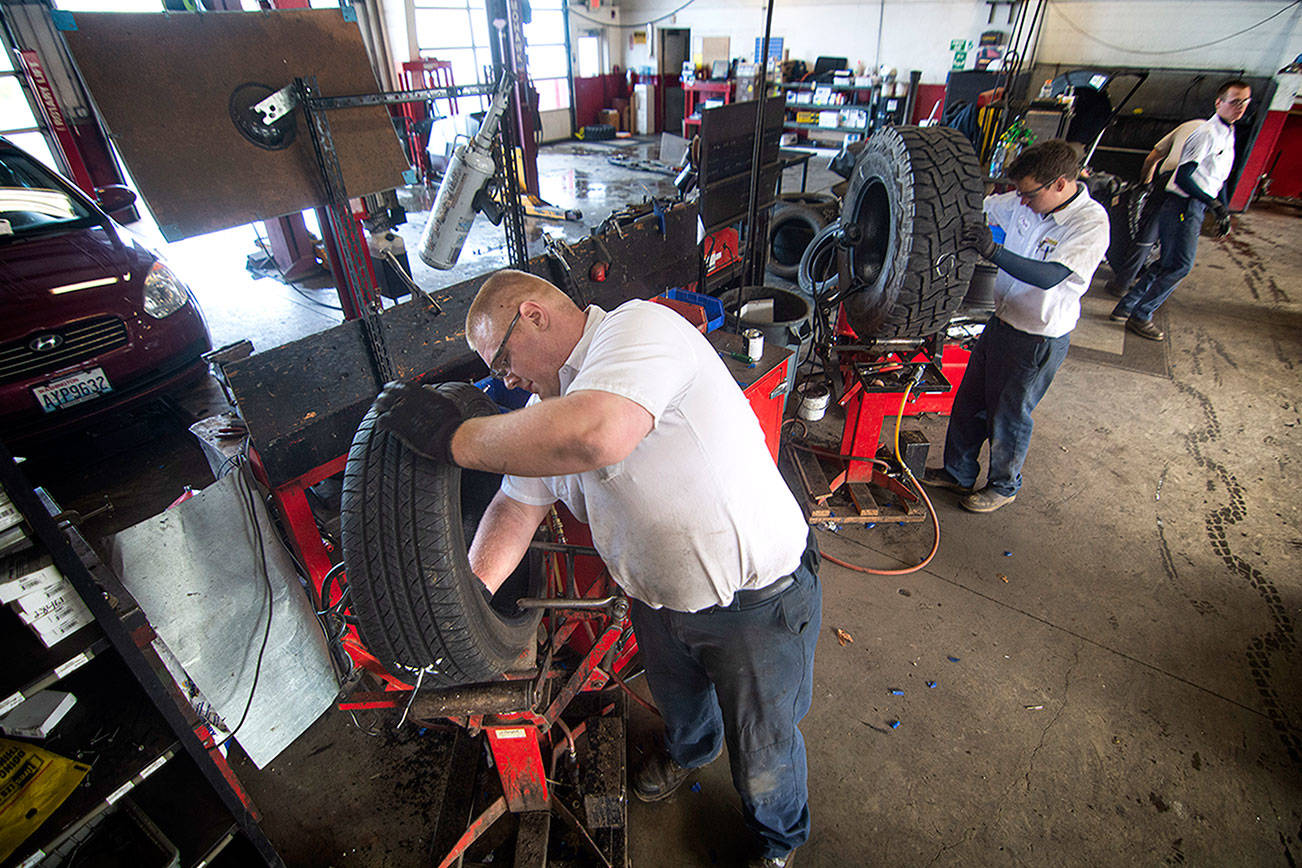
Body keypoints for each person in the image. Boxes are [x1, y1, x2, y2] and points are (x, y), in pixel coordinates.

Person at [371, 270, 821, 868]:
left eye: (502, 357)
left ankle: (776, 841)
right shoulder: (544, 413)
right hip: (658, 604)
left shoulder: (638, 330)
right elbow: (514, 505)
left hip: (756, 606)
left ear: (533, 314)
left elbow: (598, 432)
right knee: (681, 706)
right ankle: (690, 753)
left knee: (764, 751)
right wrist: (465, 599)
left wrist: (454, 438)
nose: (503, 377)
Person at [922, 139, 1110, 513]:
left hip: (1038, 338)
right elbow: (978, 207)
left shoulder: (1090, 223)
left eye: (1028, 193)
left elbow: (1050, 276)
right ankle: (957, 473)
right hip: (1001, 322)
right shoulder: (1023, 202)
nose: (1021, 200)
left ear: (1060, 184)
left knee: (1008, 415)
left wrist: (994, 251)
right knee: (969, 403)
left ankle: (1004, 485)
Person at [1110, 80, 1251, 341]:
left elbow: (1217, 178)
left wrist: (1222, 209)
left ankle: (1127, 306)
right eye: (1234, 102)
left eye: (1244, 102)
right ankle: (1141, 315)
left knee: (1168, 263)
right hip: (1182, 205)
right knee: (1180, 266)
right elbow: (1184, 176)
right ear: (1219, 103)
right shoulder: (1206, 133)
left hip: (1196, 203)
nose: (1239, 107)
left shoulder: (1228, 133)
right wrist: (1215, 205)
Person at [1103, 117, 1203, 297]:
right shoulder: (1222, 136)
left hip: (1169, 182)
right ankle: (1143, 294)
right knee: (1174, 245)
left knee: (1147, 235)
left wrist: (1146, 183)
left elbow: (1152, 158)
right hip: (1195, 189)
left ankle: (1122, 284)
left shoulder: (1188, 125)